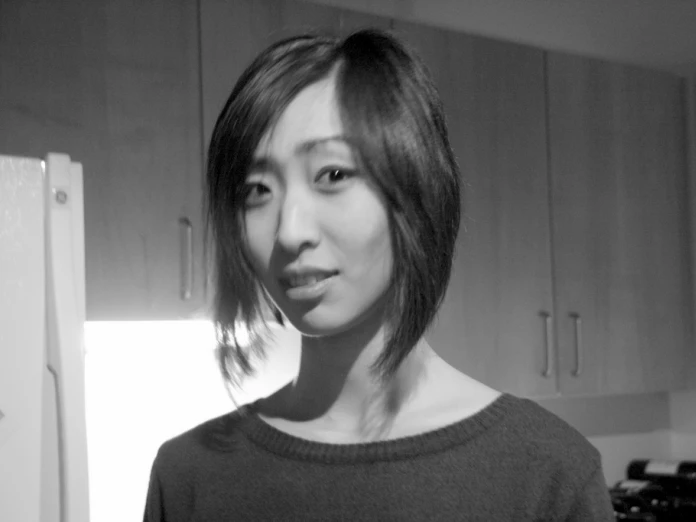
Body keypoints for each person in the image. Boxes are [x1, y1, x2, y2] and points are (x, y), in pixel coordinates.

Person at [143, 28, 614, 521]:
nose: (289, 231)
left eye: (332, 175)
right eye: (256, 190)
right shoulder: (188, 477)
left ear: (415, 191)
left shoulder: (547, 474)